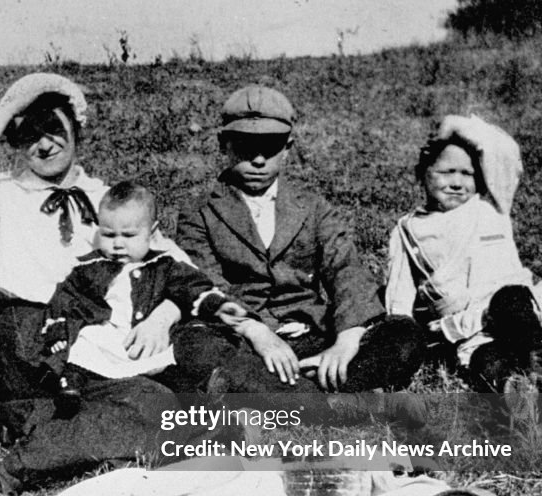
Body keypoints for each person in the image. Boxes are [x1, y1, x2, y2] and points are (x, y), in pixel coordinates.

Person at [0, 73, 185, 401]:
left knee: (185, 353)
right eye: (30, 134)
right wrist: (7, 112)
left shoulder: (104, 198)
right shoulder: (2, 195)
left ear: (77, 132)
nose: (46, 144)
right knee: (133, 395)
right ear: (15, 142)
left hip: (98, 324)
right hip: (29, 328)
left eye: (53, 128)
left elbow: (175, 264)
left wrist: (163, 317)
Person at [175, 86, 425, 413]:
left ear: (288, 148)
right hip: (245, 341)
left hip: (314, 335)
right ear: (224, 144)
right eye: (245, 146)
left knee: (403, 334)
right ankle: (348, 401)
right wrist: (258, 333)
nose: (259, 159)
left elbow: (346, 270)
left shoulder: (313, 207)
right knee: (193, 347)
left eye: (271, 147)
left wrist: (347, 339)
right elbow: (204, 282)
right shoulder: (199, 211)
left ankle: (296, 394)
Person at [41, 181, 248, 413]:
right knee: (85, 342)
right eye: (109, 235)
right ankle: (70, 386)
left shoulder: (164, 265)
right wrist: (58, 330)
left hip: (145, 339)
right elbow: (65, 298)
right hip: (106, 335)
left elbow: (192, 286)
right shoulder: (90, 267)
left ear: (151, 232)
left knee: (172, 358)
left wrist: (217, 306)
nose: (118, 244)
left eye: (129, 235)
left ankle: (197, 397)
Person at [384, 115, 542, 392]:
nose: (457, 183)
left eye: (467, 174)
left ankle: (533, 363)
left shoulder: (491, 207)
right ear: (423, 173)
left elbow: (503, 150)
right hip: (470, 329)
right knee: (487, 365)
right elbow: (399, 295)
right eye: (446, 172)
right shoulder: (409, 230)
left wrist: (452, 127)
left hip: (514, 309)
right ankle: (521, 391)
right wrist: (401, 335)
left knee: (511, 302)